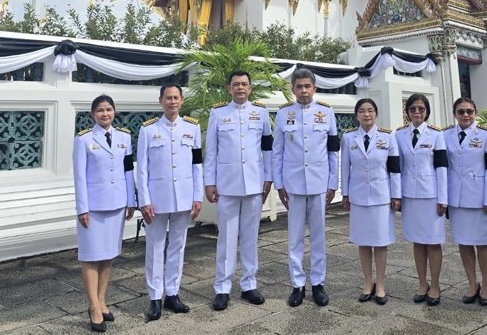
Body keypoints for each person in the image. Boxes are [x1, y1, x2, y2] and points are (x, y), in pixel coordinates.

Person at [205, 70, 274, 311]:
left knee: (250, 237)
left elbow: (267, 148)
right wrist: (209, 182)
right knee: (226, 238)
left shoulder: (261, 113)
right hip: (227, 185)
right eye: (236, 84)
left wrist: (269, 177)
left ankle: (249, 284)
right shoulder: (218, 113)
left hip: (254, 184)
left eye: (244, 84)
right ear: (229, 88)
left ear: (250, 88)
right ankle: (222, 287)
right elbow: (211, 151)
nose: (240, 88)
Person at [272, 68, 339, 307]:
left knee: (319, 236)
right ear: (293, 89)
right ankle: (297, 284)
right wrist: (279, 184)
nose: (303, 91)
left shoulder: (327, 113)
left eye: (307, 86)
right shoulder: (283, 114)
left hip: (319, 183)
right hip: (293, 184)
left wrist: (333, 183)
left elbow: (333, 151)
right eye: (299, 87)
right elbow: (277, 152)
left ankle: (318, 283)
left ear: (314, 88)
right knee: (295, 237)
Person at [136, 84, 203, 321]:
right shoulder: (148, 130)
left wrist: (197, 196)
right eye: (168, 98)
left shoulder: (192, 128)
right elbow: (142, 169)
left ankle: (172, 294)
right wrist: (144, 200)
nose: (172, 102)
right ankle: (155, 297)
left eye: (176, 97)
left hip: (183, 197)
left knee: (178, 246)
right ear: (161, 101)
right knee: (155, 247)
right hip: (157, 199)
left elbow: (197, 164)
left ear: (182, 100)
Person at [73, 95, 136, 333]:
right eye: (100, 110)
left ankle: (101, 301)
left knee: (108, 255)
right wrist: (82, 208)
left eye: (109, 109)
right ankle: (93, 307)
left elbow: (128, 170)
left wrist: (131, 201)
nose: (105, 114)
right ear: (93, 114)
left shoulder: (124, 137)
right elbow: (79, 176)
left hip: (117, 204)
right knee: (91, 256)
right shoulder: (83, 139)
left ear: (114, 111)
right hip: (93, 208)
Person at [341, 98, 401, 305]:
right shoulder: (348, 137)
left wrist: (396, 195)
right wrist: (345, 194)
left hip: (381, 196)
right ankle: (368, 282)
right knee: (363, 241)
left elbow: (394, 168)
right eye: (362, 111)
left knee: (380, 242)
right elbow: (345, 168)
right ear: (356, 115)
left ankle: (381, 284)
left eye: (370, 111)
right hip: (358, 196)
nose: (366, 114)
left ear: (376, 114)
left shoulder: (388, 136)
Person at [443, 98, 487, 306]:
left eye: (469, 111)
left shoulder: (486, 135)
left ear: (475, 113)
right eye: (461, 111)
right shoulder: (445, 135)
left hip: (478, 196)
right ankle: (472, 283)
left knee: (483, 243)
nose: (465, 115)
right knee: (464, 242)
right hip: (456, 198)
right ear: (455, 114)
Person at [394, 93, 447, 306]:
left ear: (427, 111)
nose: (417, 112)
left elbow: (441, 167)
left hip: (431, 194)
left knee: (433, 241)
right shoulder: (399, 135)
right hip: (410, 195)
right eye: (413, 109)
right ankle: (422, 283)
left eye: (421, 109)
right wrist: (397, 195)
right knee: (417, 241)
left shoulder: (436, 134)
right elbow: (397, 167)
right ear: (407, 112)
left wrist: (443, 197)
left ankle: (435, 285)